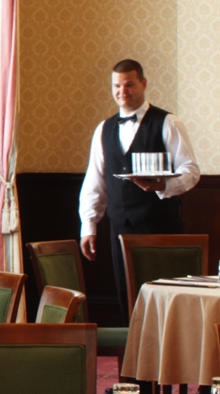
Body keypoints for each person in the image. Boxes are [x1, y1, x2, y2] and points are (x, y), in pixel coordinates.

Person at [78, 60, 202, 263]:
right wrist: (88, 226)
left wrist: (164, 184)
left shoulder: (168, 122)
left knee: (161, 291)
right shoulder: (103, 129)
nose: (122, 91)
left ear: (143, 84)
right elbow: (94, 182)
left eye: (129, 84)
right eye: (117, 86)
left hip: (160, 226)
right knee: (125, 293)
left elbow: (191, 171)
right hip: (119, 228)